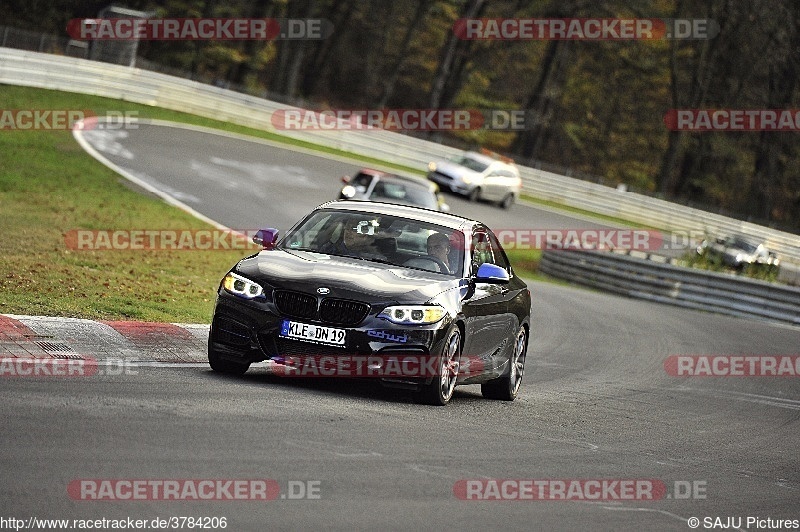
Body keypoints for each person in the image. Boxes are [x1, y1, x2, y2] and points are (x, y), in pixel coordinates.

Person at [320, 216, 387, 261]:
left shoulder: (376, 259)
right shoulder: (329, 250)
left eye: (355, 229)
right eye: (347, 227)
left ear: (366, 235)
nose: (348, 232)